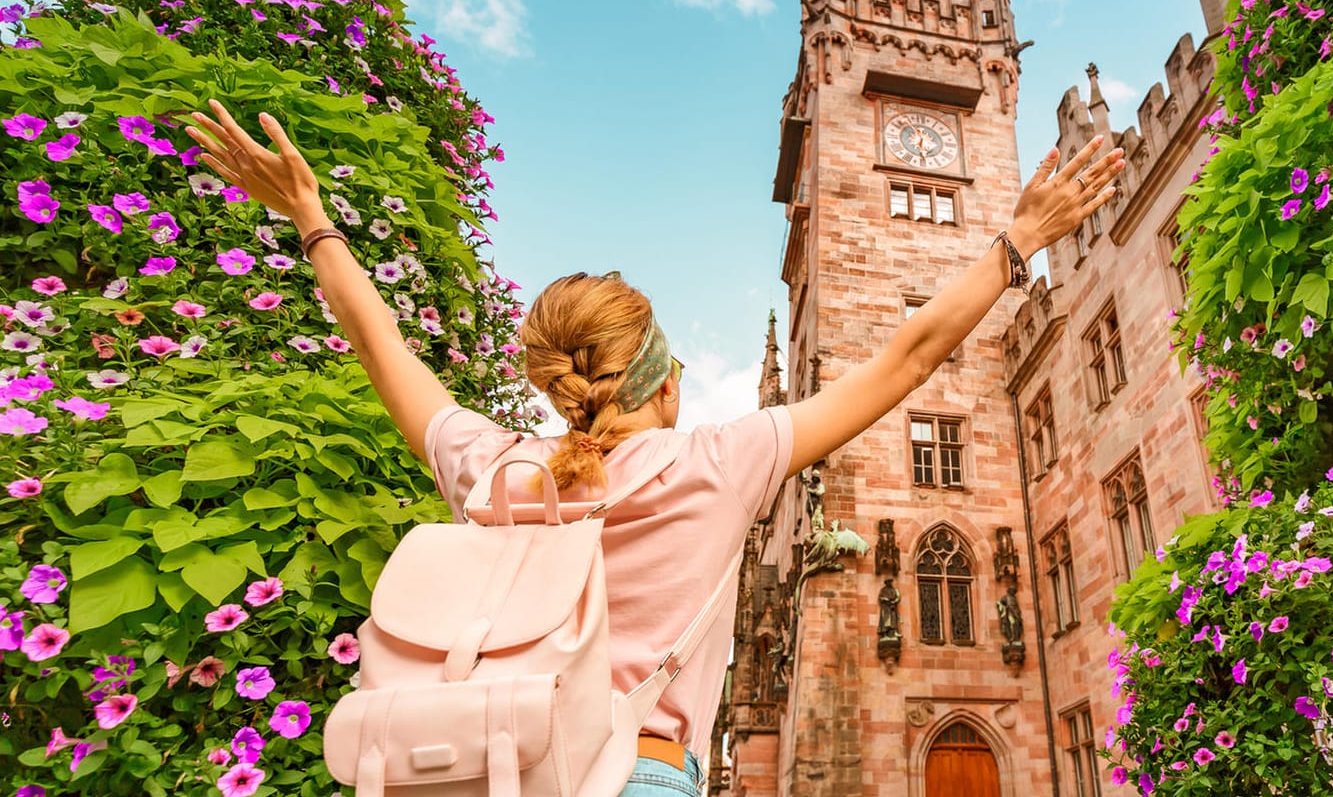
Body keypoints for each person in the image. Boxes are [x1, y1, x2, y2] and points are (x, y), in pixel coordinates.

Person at [186, 101, 1124, 796]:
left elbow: (379, 343)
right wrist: (1019, 239)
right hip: (636, 774)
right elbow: (910, 355)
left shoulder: (492, 468)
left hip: (487, 767)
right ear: (665, 382)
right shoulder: (719, 465)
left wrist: (311, 217)